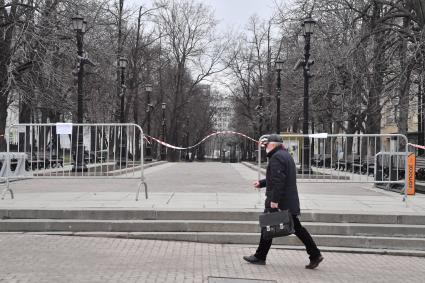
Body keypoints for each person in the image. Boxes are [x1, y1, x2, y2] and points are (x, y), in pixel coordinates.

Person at [243, 134, 323, 269]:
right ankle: (314, 254)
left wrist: (274, 201)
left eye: (266, 144)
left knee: (269, 225)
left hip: (281, 201)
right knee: (294, 228)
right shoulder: (284, 155)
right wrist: (262, 183)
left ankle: (260, 256)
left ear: (273, 144)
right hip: (287, 201)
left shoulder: (277, 157)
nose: (265, 147)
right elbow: (278, 178)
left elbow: (279, 181)